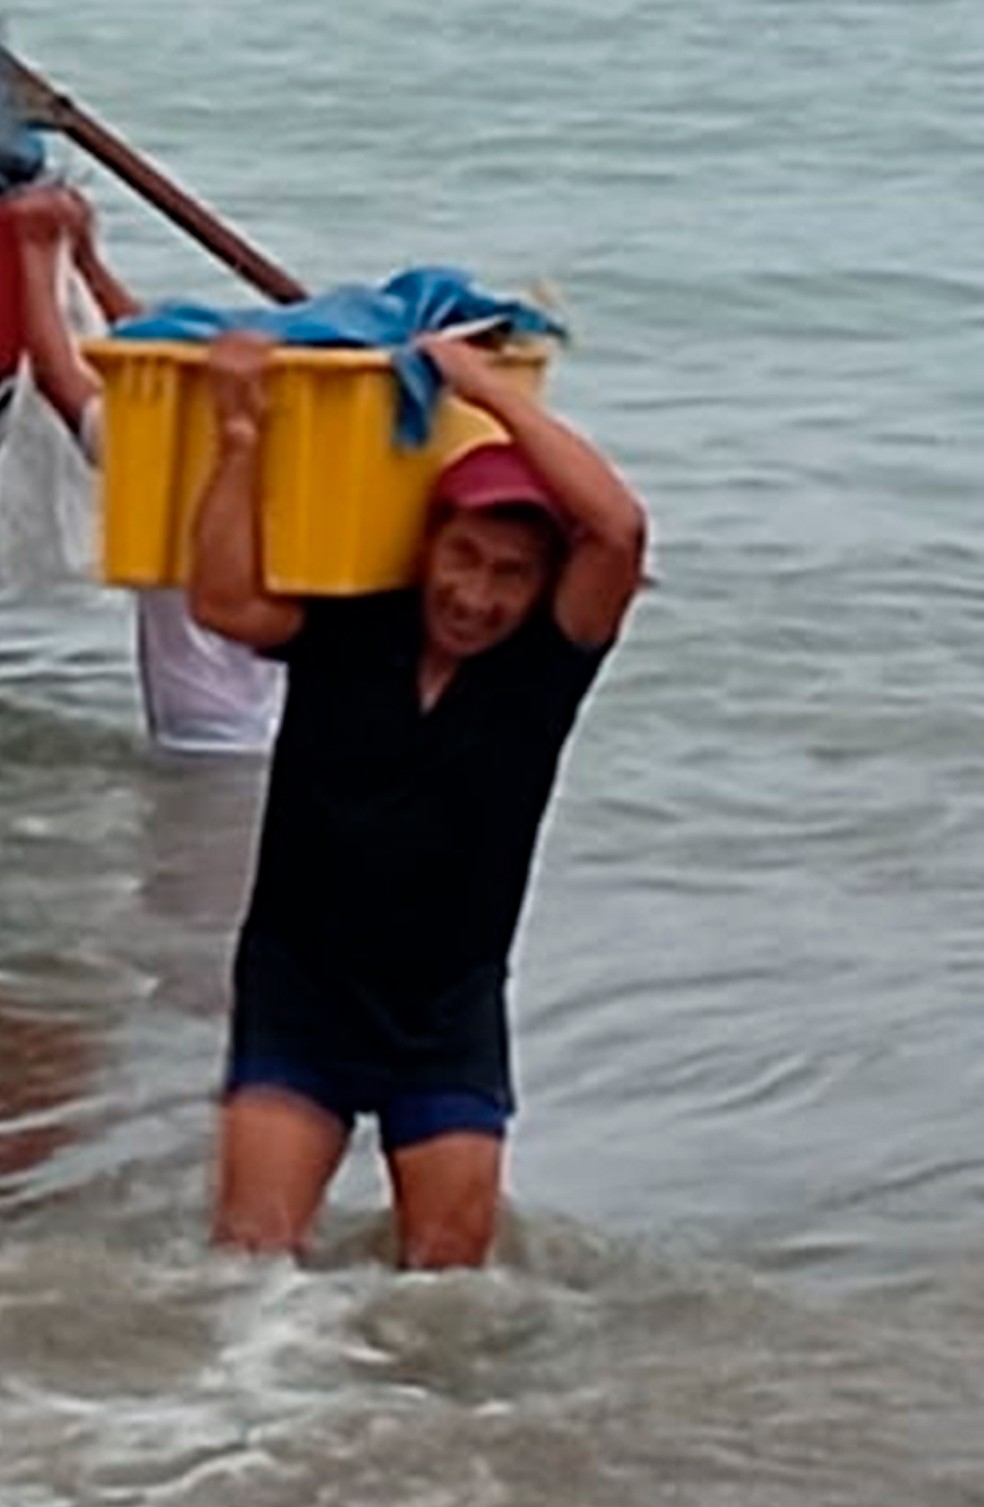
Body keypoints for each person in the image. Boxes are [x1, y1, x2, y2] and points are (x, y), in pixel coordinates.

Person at [187, 330, 645, 1268]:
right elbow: (222, 603)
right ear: (427, 545)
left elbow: (619, 529)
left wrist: (486, 390)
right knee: (246, 1270)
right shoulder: (352, 627)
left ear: (544, 586)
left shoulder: (545, 668)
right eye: (463, 557)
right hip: (298, 990)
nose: (475, 596)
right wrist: (239, 437)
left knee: (448, 1289)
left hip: (445, 1011)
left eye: (511, 575)